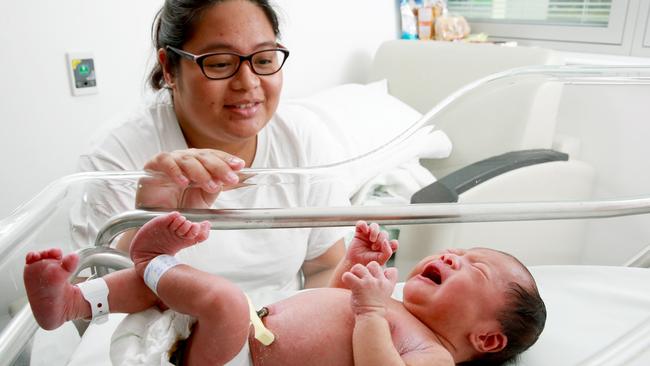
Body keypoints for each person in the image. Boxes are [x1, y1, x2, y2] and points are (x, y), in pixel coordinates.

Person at [74, 0, 350, 295]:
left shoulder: (303, 139)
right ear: (169, 68)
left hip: (286, 328)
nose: (247, 82)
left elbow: (325, 266)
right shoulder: (117, 156)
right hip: (159, 336)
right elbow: (92, 306)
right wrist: (150, 222)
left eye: (265, 59)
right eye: (220, 63)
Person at [26, 212, 546, 366]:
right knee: (174, 295)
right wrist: (356, 266)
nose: (453, 257)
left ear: (487, 338)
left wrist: (369, 312)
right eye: (460, 252)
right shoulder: (389, 302)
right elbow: (336, 302)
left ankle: (147, 260)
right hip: (233, 339)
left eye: (473, 271)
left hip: (239, 359)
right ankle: (73, 302)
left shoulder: (432, 353)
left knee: (223, 298)